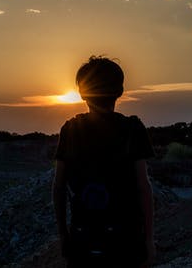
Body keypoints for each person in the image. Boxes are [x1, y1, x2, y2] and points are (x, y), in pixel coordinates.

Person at [53, 56, 156, 268]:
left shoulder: (70, 130)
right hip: (126, 241)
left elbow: (58, 188)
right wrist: (148, 240)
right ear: (119, 91)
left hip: (83, 239)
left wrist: (63, 235)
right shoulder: (133, 129)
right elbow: (143, 187)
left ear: (83, 93)